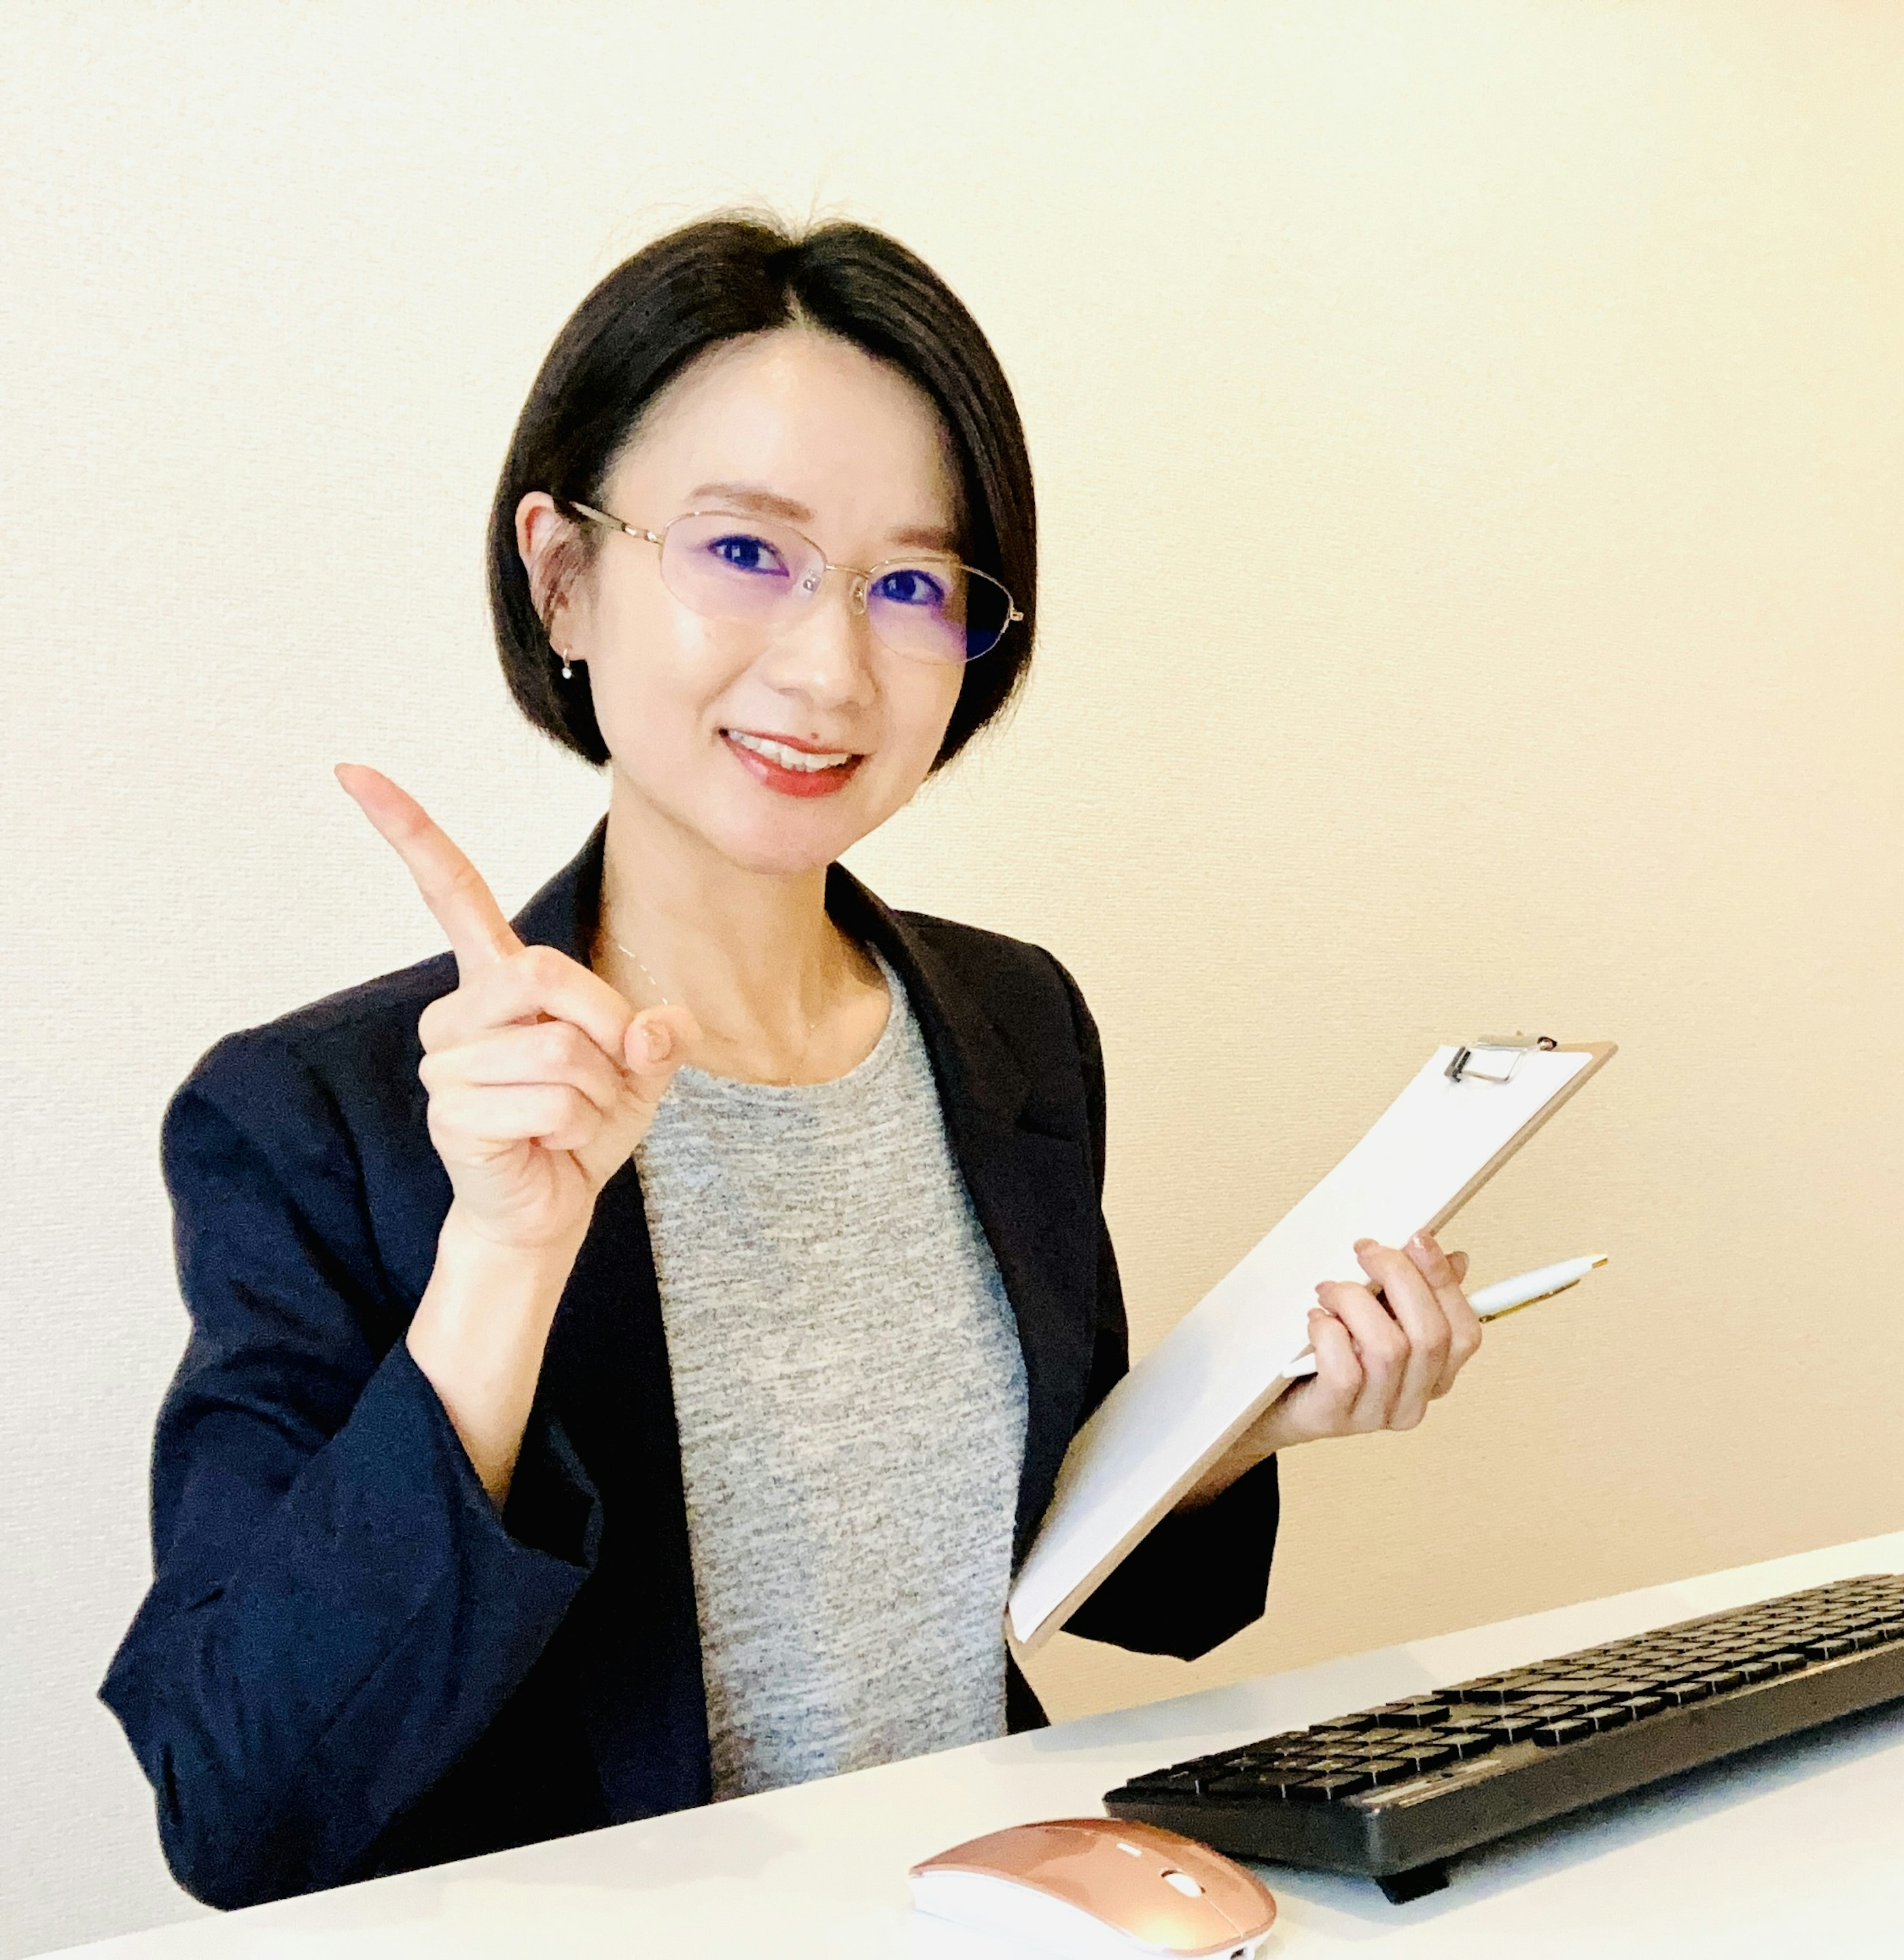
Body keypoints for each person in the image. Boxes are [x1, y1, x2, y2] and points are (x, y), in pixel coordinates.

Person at [99, 211, 1484, 1910]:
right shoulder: (320, 1119)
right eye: (745, 552)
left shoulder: (1013, 1024)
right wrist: (506, 1262)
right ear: (562, 575)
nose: (830, 668)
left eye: (911, 584)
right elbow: (240, 1812)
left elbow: (1094, 1582)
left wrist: (1257, 1424)